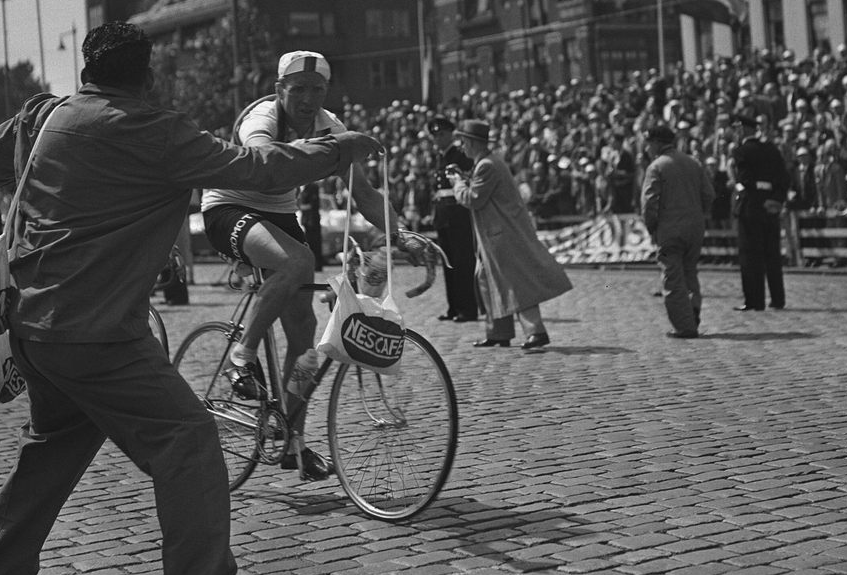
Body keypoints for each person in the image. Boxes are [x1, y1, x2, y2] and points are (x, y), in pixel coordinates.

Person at [0, 22, 383, 575]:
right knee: (187, 442)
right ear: (148, 75)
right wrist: (341, 149)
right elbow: (258, 169)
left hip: (33, 325)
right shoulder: (156, 132)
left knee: (56, 444)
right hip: (98, 330)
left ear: (87, 69)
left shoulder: (45, 116)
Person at [200, 50, 426, 480]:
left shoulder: (330, 126)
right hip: (230, 205)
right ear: (279, 90)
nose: (307, 100)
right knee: (298, 261)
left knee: (304, 341)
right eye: (298, 89)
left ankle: (293, 443)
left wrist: (401, 233)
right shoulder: (260, 121)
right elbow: (268, 168)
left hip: (279, 214)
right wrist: (337, 147)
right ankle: (240, 357)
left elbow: (364, 193)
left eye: (317, 91)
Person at [450, 119, 572, 349]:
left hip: (502, 236)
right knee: (487, 280)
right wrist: (464, 179)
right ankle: (498, 332)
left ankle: (536, 331)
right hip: (493, 237)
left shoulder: (487, 165)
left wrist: (457, 183)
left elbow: (473, 198)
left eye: (463, 142)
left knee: (515, 282)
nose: (461, 147)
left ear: (473, 142)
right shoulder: (487, 163)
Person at [640, 123, 714, 339]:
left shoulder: (656, 167)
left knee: (672, 277)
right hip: (694, 228)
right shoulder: (693, 163)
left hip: (670, 229)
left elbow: (649, 204)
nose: (646, 149)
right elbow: (709, 195)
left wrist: (652, 227)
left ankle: (684, 325)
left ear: (656, 143)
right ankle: (693, 311)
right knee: (690, 272)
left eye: (648, 144)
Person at [731, 112, 790, 311]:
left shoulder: (742, 151)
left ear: (742, 129)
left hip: (750, 205)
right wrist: (776, 200)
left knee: (750, 255)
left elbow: (743, 180)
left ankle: (754, 300)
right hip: (770, 205)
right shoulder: (772, 149)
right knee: (772, 254)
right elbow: (783, 178)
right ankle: (777, 298)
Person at [428, 115, 479, 323]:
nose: (438, 139)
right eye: (435, 135)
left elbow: (467, 181)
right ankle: (453, 306)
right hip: (444, 215)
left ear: (451, 134)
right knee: (448, 263)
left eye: (442, 134)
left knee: (462, 263)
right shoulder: (440, 157)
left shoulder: (460, 156)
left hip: (458, 215)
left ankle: (468, 308)